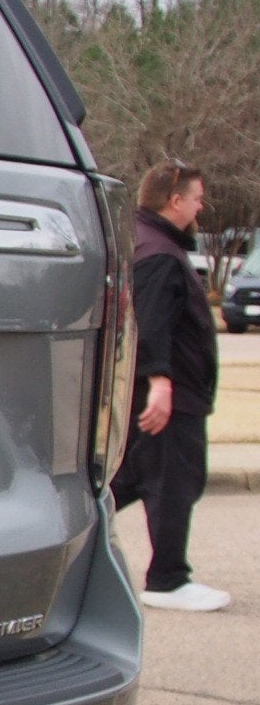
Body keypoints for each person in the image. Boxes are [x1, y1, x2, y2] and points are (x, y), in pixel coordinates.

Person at [111, 159, 229, 611]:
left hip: (169, 391)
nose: (201, 207)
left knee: (135, 479)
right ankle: (168, 580)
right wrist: (161, 382)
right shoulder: (159, 253)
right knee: (174, 480)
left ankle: (63, 553)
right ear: (175, 201)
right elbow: (151, 324)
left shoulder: (150, 243)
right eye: (197, 199)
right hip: (170, 395)